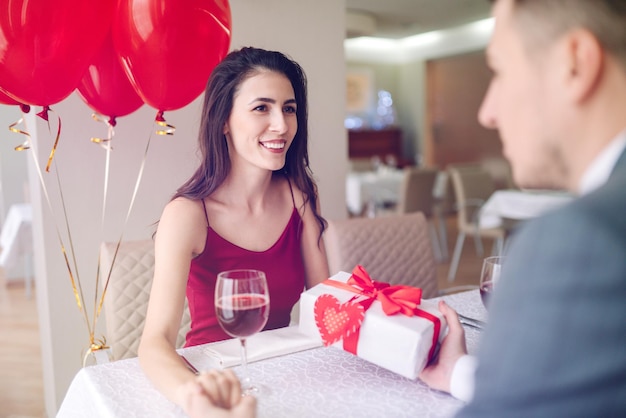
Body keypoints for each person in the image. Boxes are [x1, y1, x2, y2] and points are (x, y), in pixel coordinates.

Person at [420, 0, 626, 416]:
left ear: (575, 65)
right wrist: (463, 372)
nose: (487, 113)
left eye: (498, 71)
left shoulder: (583, 241)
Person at [138, 47, 329, 417]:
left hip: (282, 373)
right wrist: (197, 397)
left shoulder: (301, 196)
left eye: (289, 109)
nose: (282, 125)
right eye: (262, 108)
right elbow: (155, 343)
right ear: (224, 120)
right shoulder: (188, 214)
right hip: (211, 381)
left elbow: (323, 307)